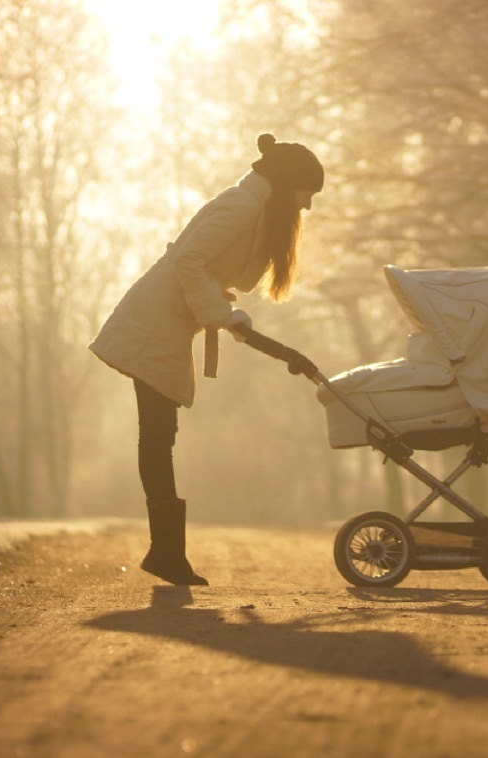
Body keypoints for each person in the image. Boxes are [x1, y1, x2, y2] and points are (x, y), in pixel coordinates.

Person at [90, 133, 323, 586]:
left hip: (169, 325)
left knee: (159, 435)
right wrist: (218, 312)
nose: (308, 205)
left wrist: (221, 308)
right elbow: (189, 259)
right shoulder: (241, 206)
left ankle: (166, 552)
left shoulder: (251, 208)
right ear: (289, 182)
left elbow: (201, 266)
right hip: (153, 325)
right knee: (157, 436)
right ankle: (166, 553)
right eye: (307, 193)